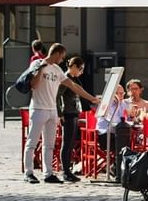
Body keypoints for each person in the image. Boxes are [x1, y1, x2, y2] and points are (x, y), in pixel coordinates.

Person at [23, 44, 99, 184]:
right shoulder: (38, 63)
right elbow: (33, 84)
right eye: (62, 56)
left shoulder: (57, 70)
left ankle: (48, 173)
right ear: (57, 53)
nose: (62, 59)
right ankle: (29, 173)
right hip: (39, 108)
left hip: (52, 110)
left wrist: (92, 98)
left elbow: (73, 86)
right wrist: (42, 67)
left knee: (49, 144)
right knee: (32, 142)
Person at [57, 56, 87, 182]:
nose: (81, 71)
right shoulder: (65, 78)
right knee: (67, 143)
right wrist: (60, 114)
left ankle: (68, 170)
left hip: (74, 112)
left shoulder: (74, 78)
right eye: (80, 68)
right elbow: (57, 96)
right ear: (73, 66)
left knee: (71, 143)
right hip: (68, 113)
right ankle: (66, 171)